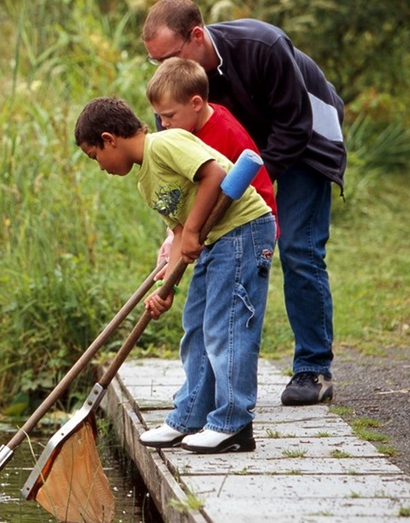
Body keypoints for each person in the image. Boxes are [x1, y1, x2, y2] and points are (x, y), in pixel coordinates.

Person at [142, 0, 347, 406]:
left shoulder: (263, 46)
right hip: (243, 161)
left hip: (307, 144)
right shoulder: (175, 86)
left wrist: (242, 191)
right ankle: (214, 378)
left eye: (167, 56)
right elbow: (181, 163)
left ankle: (313, 367)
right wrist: (177, 233)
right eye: (153, 61)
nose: (162, 68)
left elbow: (295, 126)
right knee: (224, 252)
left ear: (197, 36)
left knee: (298, 249)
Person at [74, 96, 275, 453]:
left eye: (95, 156)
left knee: (226, 325)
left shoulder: (166, 143)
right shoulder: (145, 182)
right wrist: (167, 286)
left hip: (243, 230)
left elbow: (216, 173)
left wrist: (195, 230)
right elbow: (181, 231)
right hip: (215, 238)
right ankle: (190, 417)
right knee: (196, 325)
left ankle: (233, 423)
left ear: (109, 139)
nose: (100, 166)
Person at [145, 57, 278, 271]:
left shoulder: (223, 134)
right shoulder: (188, 131)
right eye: (159, 117)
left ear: (196, 104)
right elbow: (188, 195)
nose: (164, 124)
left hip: (248, 226)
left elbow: (223, 186)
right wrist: (173, 237)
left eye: (169, 116)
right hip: (216, 227)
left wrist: (188, 232)